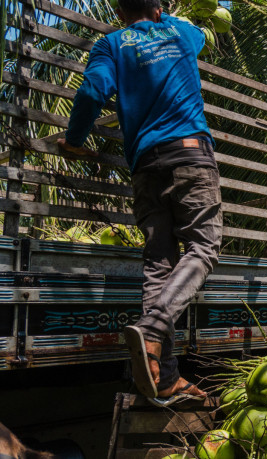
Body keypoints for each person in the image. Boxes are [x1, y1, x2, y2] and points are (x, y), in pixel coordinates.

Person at [58, 0, 221, 404]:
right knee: (204, 246)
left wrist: (73, 142)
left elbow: (92, 91)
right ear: (160, 7)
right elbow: (202, 33)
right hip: (190, 157)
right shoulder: (182, 33)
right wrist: (168, 17)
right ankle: (153, 327)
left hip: (146, 165)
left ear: (117, 10)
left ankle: (162, 376)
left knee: (158, 264)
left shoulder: (110, 45)